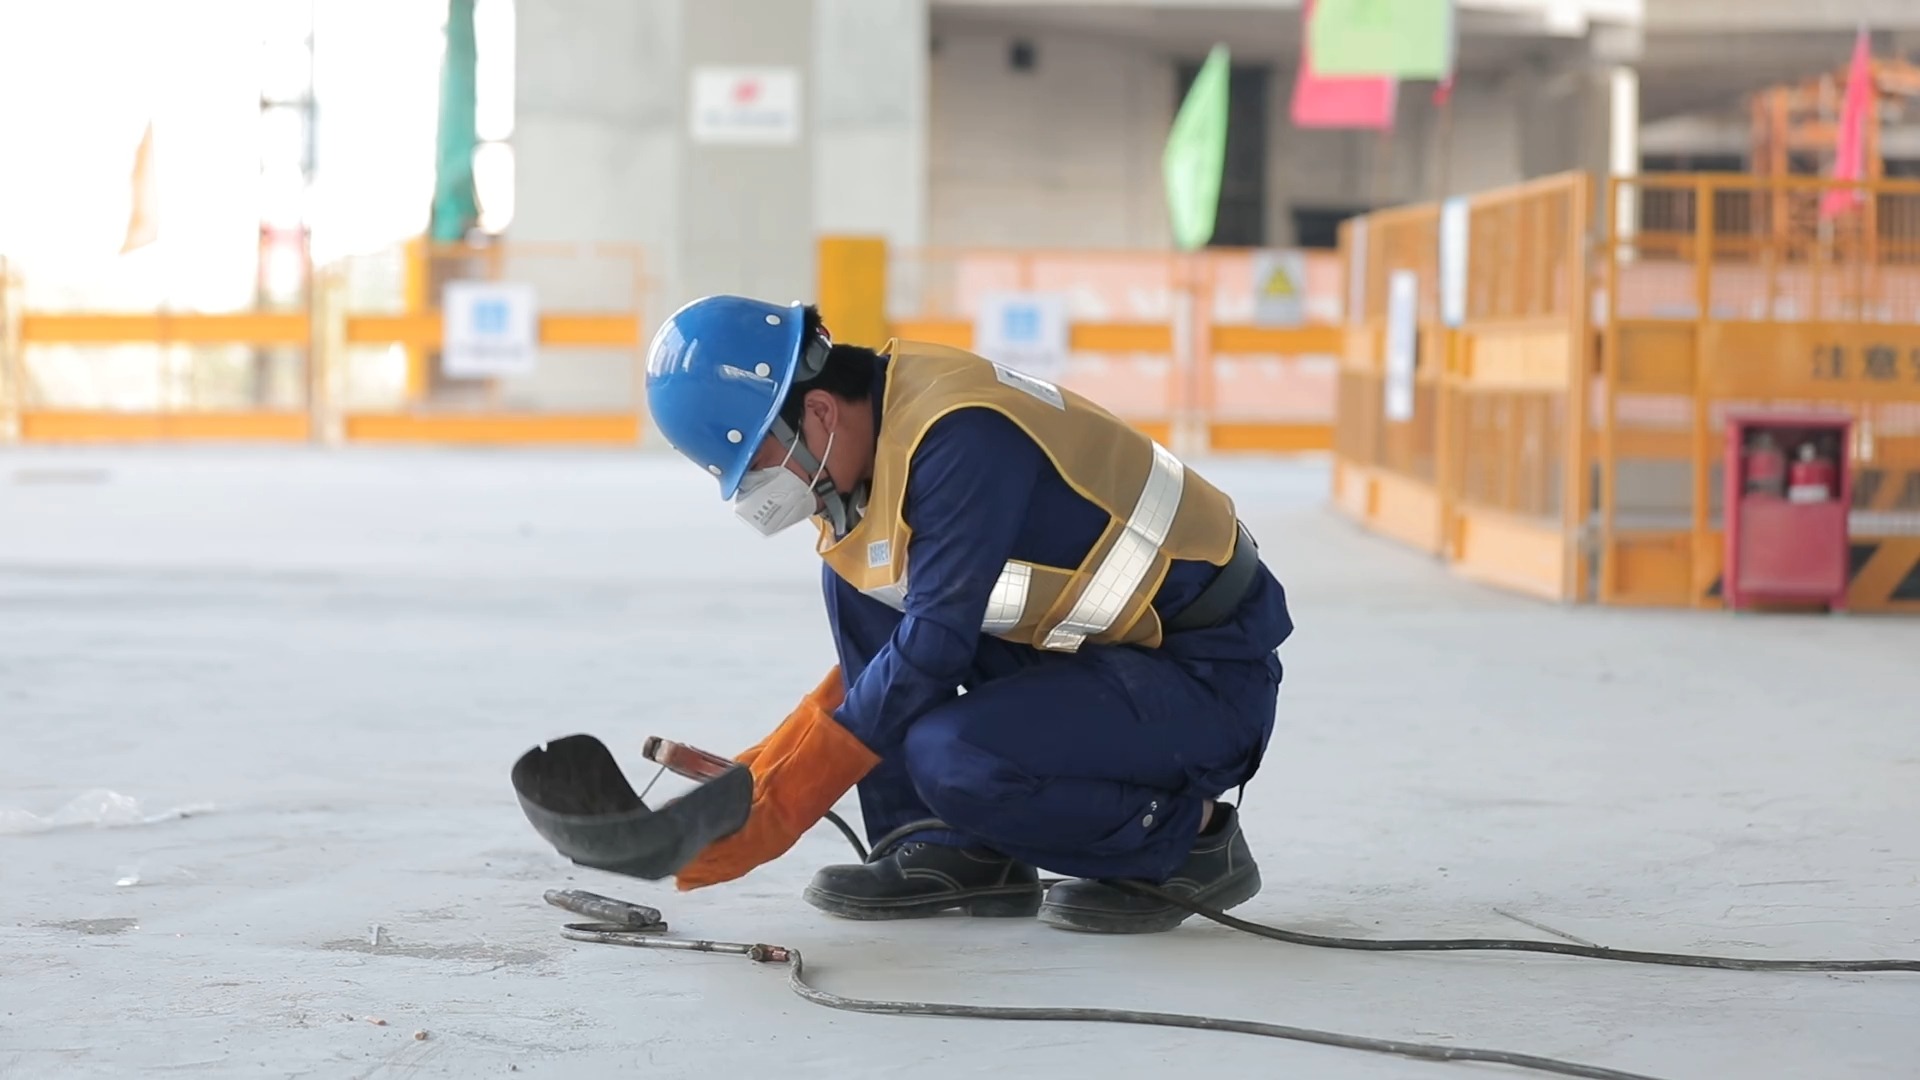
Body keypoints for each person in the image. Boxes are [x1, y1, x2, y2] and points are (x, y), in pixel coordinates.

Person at [643, 294, 1293, 933]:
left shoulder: (960, 437)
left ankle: (1191, 843)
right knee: (859, 581)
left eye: (760, 461)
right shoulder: (889, 426)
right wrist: (765, 771)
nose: (766, 491)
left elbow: (930, 649)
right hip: (1100, 658)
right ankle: (946, 849)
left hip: (1207, 682)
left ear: (818, 411)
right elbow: (894, 654)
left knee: (954, 758)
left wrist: (785, 802)